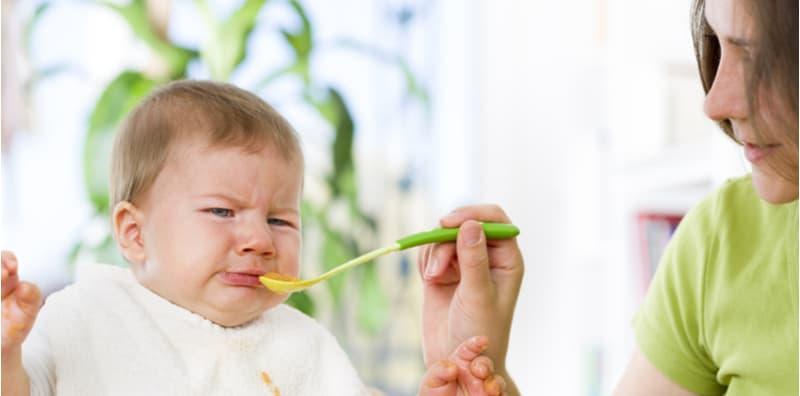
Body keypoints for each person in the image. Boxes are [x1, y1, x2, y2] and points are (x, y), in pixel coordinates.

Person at [1, 80, 506, 395]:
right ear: (134, 234)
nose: (260, 239)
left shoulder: (302, 345)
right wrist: (5, 351)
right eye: (223, 210)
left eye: (281, 220)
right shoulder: (87, 316)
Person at [418, 0, 797, 394]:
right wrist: (482, 373)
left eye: (755, 56)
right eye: (719, 46)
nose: (715, 103)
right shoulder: (721, 240)